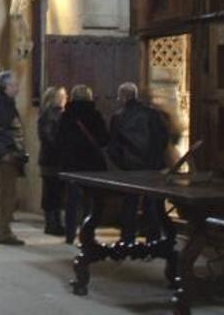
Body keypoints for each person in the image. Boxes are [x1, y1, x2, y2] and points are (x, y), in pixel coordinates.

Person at [106, 82, 170, 243]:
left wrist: (122, 162)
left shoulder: (119, 117)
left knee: (130, 202)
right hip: (152, 166)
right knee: (151, 203)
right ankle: (153, 238)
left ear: (123, 97)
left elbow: (113, 145)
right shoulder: (152, 114)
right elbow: (162, 138)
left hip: (130, 166)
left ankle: (127, 238)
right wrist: (156, 160)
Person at [57, 85, 109, 244]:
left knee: (71, 201)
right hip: (91, 163)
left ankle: (70, 234)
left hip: (72, 164)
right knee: (90, 200)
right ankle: (88, 234)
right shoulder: (95, 115)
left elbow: (59, 139)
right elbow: (104, 139)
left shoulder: (66, 116)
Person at [0, 71, 28, 246]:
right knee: (6, 197)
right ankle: (4, 233)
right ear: (6, 87)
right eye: (14, 85)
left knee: (2, 195)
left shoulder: (4, 104)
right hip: (6, 159)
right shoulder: (3, 106)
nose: (17, 87)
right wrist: (3, 154)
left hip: (7, 158)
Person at [38, 86, 67, 236]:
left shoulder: (50, 114)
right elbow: (50, 137)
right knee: (52, 192)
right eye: (62, 96)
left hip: (50, 159)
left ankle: (55, 222)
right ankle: (52, 224)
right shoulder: (51, 115)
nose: (65, 98)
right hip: (52, 159)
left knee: (54, 192)